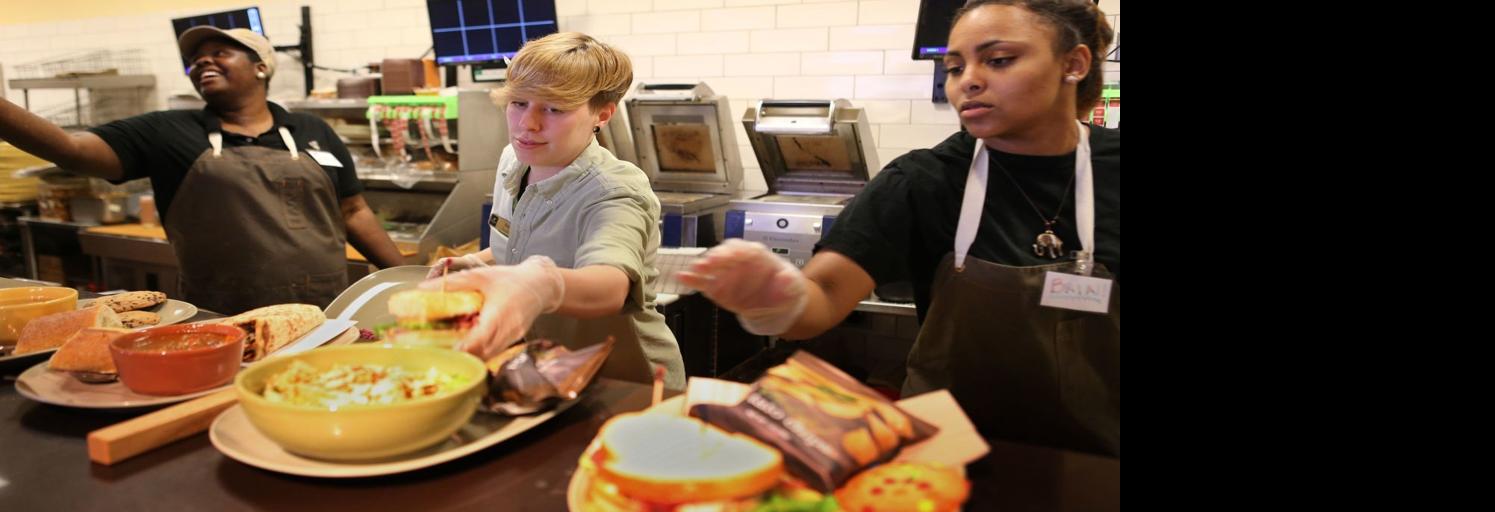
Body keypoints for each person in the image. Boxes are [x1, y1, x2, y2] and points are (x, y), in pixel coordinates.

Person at [677, 0, 1120, 456]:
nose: (967, 80)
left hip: (1100, 462)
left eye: (999, 60)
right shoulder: (923, 181)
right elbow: (823, 296)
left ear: (1074, 63)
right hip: (943, 455)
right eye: (953, 66)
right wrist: (775, 299)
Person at [0, 26, 405, 315]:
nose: (203, 62)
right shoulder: (168, 132)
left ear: (261, 67)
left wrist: (407, 276)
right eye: (195, 60)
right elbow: (71, 150)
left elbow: (353, 211)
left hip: (325, 314)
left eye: (220, 53)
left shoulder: (312, 130)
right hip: (223, 317)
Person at [420, 32, 685, 390]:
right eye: (518, 103)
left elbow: (609, 285)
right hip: (546, 366)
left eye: (554, 109)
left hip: (624, 379)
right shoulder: (513, 160)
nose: (527, 124)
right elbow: (524, 245)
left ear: (602, 114)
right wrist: (482, 264)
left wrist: (540, 284)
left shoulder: (615, 191)